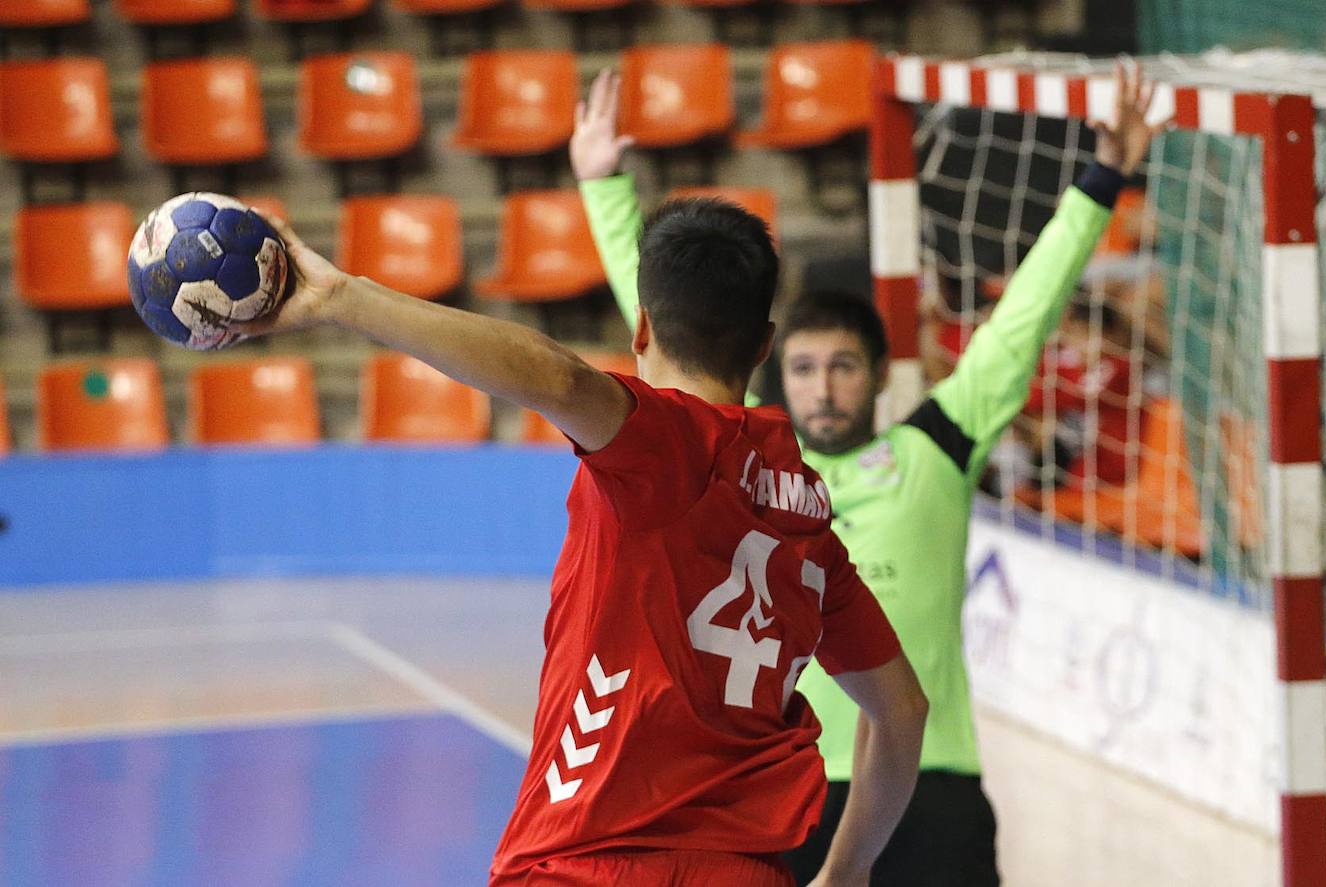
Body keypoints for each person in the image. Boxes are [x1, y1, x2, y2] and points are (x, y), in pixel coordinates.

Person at [572, 60, 1165, 885]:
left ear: (882, 374)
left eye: (845, 366)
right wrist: (602, 185)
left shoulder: (936, 448)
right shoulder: (739, 468)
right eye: (807, 368)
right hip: (792, 791)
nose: (824, 385)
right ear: (774, 362)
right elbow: (668, 326)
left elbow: (1025, 312)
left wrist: (1103, 178)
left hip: (934, 782)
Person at [231, 191, 928, 884]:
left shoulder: (666, 446)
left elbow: (559, 378)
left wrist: (340, 298)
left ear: (643, 329)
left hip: (589, 861)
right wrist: (847, 870)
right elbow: (900, 709)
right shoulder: (806, 519)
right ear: (766, 344)